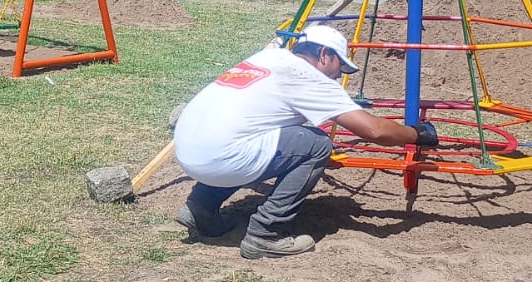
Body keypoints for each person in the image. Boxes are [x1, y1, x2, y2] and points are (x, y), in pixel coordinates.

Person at [172, 24, 437, 259]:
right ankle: (266, 233)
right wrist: (418, 134)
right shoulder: (307, 77)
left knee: (264, 139)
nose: (338, 75)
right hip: (222, 157)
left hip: (188, 150)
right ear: (324, 54)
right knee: (317, 145)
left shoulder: (270, 57)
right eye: (339, 66)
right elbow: (375, 131)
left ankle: (200, 208)